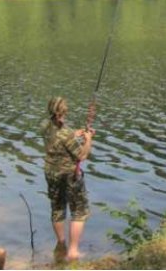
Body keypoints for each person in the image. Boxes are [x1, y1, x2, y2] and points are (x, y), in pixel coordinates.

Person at [43, 97, 95, 261]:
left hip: (51, 172)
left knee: (57, 208)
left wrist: (76, 133)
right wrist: (88, 139)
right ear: (62, 113)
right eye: (64, 113)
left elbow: (60, 137)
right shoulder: (65, 133)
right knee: (79, 211)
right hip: (70, 176)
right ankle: (73, 252)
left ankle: (61, 244)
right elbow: (82, 155)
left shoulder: (44, 126)